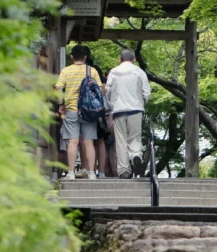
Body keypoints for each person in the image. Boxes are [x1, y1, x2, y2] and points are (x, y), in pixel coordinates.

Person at [54, 45, 102, 180]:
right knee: (89, 142)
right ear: (85, 57)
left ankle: (70, 173)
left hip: (71, 109)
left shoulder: (66, 71)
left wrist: (61, 103)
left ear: (72, 57)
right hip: (88, 111)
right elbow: (101, 89)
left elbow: (58, 88)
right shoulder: (91, 71)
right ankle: (92, 173)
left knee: (73, 142)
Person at [105, 48, 151, 179]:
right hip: (136, 109)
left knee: (121, 140)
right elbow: (146, 91)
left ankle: (124, 170)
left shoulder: (113, 72)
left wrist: (112, 105)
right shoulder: (139, 72)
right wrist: (141, 102)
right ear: (134, 59)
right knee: (135, 137)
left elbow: (108, 91)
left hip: (119, 110)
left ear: (120, 59)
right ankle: (136, 155)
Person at [84, 50, 111, 178]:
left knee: (86, 141)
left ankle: (89, 170)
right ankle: (101, 172)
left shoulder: (76, 70)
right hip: (97, 109)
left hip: (83, 110)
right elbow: (103, 90)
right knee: (100, 142)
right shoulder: (96, 70)